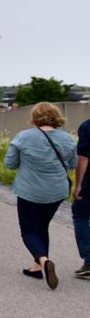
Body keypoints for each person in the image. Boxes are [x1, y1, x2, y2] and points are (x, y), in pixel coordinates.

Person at [4, 102, 77, 290]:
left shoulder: (24, 137)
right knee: (42, 226)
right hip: (56, 191)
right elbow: (72, 164)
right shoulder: (67, 139)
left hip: (30, 191)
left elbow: (10, 164)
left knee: (28, 230)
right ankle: (37, 266)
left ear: (34, 117)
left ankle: (44, 261)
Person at [73, 117, 90, 279]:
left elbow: (83, 158)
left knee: (81, 214)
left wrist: (78, 184)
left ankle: (89, 261)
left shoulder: (87, 126)